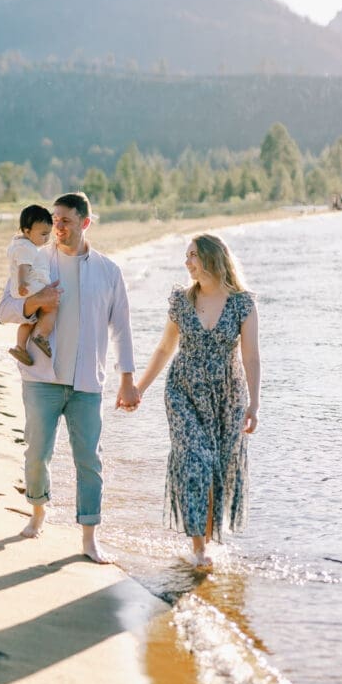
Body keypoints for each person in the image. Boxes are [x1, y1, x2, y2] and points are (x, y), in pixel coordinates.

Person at [0, 191, 140, 563]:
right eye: (54, 220)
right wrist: (36, 301)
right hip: (41, 377)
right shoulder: (35, 258)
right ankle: (37, 514)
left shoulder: (109, 271)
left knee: (89, 461)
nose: (57, 227)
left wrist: (127, 378)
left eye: (65, 221)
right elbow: (6, 309)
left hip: (87, 384)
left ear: (85, 223)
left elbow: (122, 328)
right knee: (36, 454)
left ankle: (90, 538)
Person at [136, 233, 260, 569]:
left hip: (226, 398)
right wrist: (139, 388)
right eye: (186, 256)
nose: (187, 262)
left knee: (216, 469)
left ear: (212, 258)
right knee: (196, 460)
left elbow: (250, 356)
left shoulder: (242, 303)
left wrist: (254, 404)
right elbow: (164, 348)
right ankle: (199, 547)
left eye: (193, 255)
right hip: (182, 392)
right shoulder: (181, 300)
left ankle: (203, 541)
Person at [6, 204, 57, 366]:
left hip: (25, 287)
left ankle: (20, 347)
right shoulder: (26, 249)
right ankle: (42, 335)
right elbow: (23, 267)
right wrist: (22, 284)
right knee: (52, 305)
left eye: (49, 234)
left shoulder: (19, 244)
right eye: (43, 234)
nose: (46, 238)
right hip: (28, 287)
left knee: (29, 320)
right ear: (27, 231)